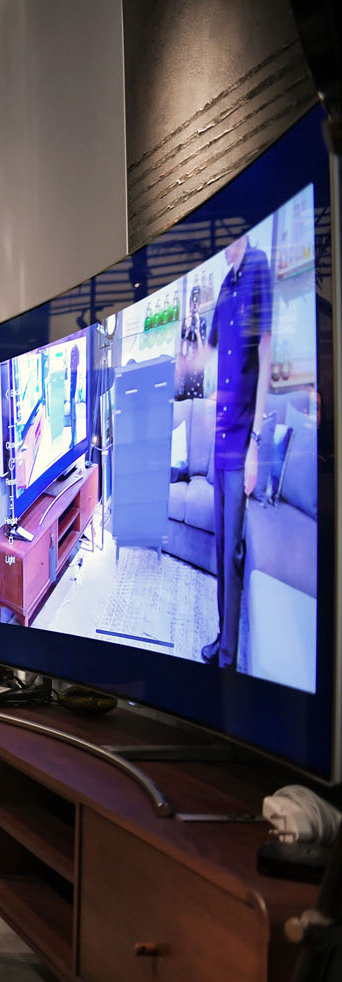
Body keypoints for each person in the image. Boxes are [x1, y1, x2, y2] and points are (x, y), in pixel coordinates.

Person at [202, 232, 274, 669]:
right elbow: (208, 353)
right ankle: (220, 637)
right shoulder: (225, 283)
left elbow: (265, 357)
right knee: (220, 548)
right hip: (219, 436)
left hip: (243, 439)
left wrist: (256, 446)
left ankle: (228, 656)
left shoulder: (259, 267)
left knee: (233, 552)